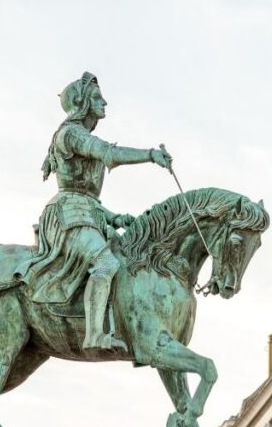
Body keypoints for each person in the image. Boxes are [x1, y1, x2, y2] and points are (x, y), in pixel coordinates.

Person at [18, 72, 172, 350]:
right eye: (97, 98)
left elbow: (87, 195)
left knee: (124, 259)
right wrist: (150, 155)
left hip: (85, 212)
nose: (104, 103)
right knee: (106, 263)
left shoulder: (77, 134)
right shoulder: (71, 134)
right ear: (83, 103)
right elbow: (107, 154)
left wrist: (112, 217)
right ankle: (93, 335)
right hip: (68, 216)